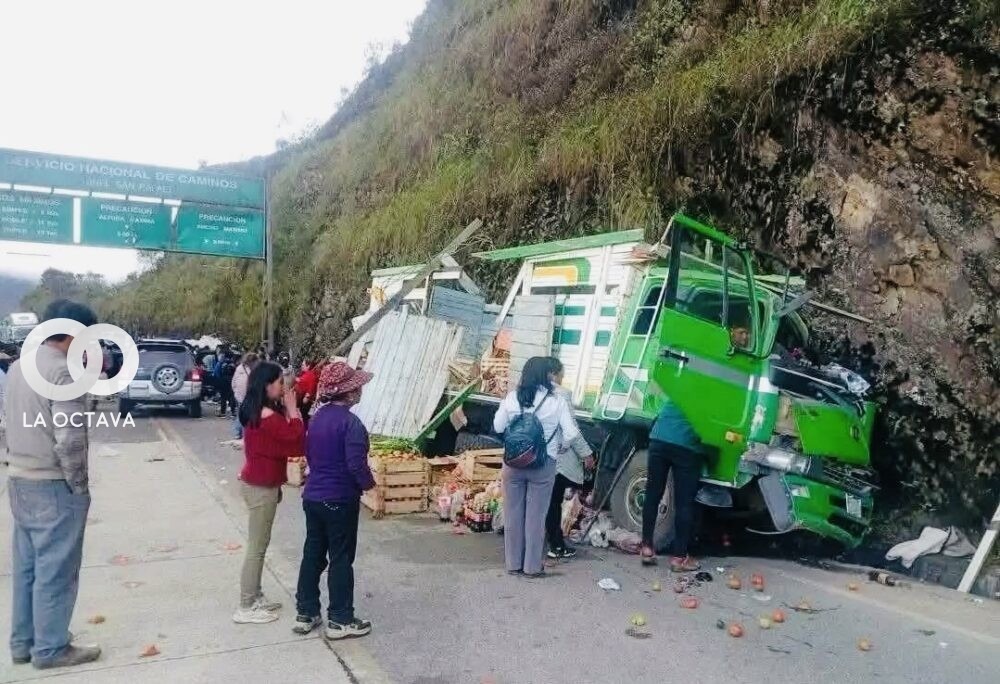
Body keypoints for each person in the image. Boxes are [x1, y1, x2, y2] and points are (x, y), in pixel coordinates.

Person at [4, 300, 101, 669]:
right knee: (57, 570)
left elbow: (5, 423)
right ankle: (50, 648)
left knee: (28, 568)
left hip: (20, 479)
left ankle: (24, 643)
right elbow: (70, 440)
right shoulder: (64, 372)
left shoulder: (18, 367)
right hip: (52, 483)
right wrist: (80, 488)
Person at [293, 362, 375, 639]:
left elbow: (311, 455)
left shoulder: (317, 418)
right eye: (357, 386)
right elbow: (356, 464)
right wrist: (369, 485)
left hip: (313, 497)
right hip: (339, 498)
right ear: (349, 393)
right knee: (340, 557)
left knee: (313, 553)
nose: (360, 390)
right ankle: (340, 619)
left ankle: (306, 612)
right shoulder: (351, 424)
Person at [493, 356, 580, 577]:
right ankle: (531, 567)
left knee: (513, 514)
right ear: (546, 376)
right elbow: (571, 433)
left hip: (513, 463)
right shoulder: (556, 401)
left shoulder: (512, 397)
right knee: (536, 517)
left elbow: (498, 426)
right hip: (543, 464)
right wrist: (561, 447)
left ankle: (513, 564)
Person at [234, 361, 305, 624]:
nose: (283, 387)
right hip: (260, 488)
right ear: (266, 385)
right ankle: (246, 605)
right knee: (257, 548)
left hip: (260, 484)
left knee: (259, 546)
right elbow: (296, 442)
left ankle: (255, 595)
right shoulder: (269, 418)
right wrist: (293, 410)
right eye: (279, 383)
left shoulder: (257, 411)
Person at [639, 398, 704, 573]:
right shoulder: (710, 390)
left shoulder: (679, 387)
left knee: (652, 494)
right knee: (684, 503)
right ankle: (679, 558)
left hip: (659, 438)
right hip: (686, 445)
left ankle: (647, 548)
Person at [543, 358, 595, 559]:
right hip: (555, 458)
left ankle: (532, 542)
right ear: (554, 374)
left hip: (535, 456)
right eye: (561, 375)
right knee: (553, 502)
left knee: (540, 501)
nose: (562, 379)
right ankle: (556, 545)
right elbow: (571, 430)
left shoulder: (530, 392)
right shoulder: (561, 395)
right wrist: (586, 454)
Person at [231, 353, 259, 439]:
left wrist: (235, 392)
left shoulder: (239, 368)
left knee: (240, 414)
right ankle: (244, 435)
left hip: (239, 395)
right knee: (245, 416)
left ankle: (237, 432)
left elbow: (233, 382)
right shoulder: (254, 370)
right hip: (246, 396)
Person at [294, 359, 320, 428]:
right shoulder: (304, 373)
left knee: (303, 415)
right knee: (301, 414)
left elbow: (311, 388)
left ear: (308, 366)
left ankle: (305, 428)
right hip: (301, 397)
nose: (301, 366)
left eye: (303, 365)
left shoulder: (311, 375)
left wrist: (307, 397)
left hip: (305, 399)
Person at [216, 352, 238, 417]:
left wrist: (219, 381)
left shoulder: (222, 363)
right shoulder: (233, 364)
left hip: (223, 381)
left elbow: (217, 373)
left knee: (223, 397)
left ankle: (223, 412)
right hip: (232, 380)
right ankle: (233, 412)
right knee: (232, 397)